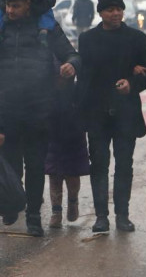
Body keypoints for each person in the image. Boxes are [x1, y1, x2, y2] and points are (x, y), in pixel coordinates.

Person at [0, 0, 80, 237]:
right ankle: (12, 205)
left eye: (16, 6)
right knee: (10, 163)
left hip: (38, 109)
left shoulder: (46, 28)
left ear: (28, 5)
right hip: (5, 110)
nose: (11, 10)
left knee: (34, 165)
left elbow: (72, 54)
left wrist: (71, 66)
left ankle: (33, 216)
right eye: (8, 5)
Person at [76, 0, 146, 233]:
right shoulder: (87, 39)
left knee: (124, 165)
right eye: (110, 9)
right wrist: (79, 111)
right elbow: (85, 77)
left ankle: (122, 215)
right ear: (100, 13)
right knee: (98, 164)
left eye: (119, 9)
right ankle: (101, 216)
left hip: (126, 113)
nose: (116, 13)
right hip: (97, 113)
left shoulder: (137, 38)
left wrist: (132, 83)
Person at [45, 71, 90, 228]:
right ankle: (56, 211)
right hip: (54, 136)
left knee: (72, 175)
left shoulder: (77, 90)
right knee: (54, 175)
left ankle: (73, 200)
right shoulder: (50, 90)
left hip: (73, 136)